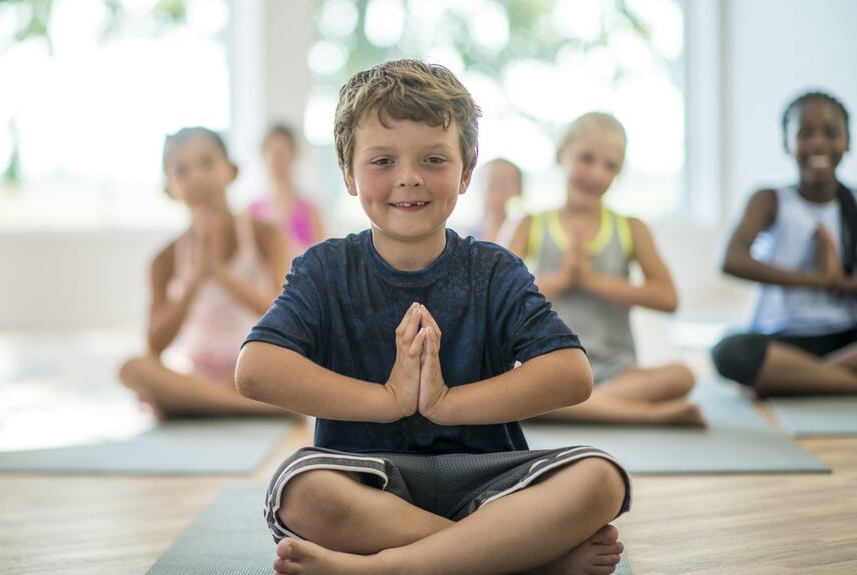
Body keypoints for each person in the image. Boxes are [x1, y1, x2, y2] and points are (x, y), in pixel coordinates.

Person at [236, 60, 631, 575]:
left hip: (490, 481)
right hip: (368, 481)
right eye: (382, 160)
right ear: (348, 175)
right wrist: (387, 401)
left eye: (433, 158)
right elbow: (255, 369)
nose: (408, 178)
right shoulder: (324, 268)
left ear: (467, 171)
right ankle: (516, 559)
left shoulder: (494, 269)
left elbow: (572, 376)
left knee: (601, 478)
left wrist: (446, 404)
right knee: (300, 488)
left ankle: (386, 568)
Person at [509, 112, 703, 426]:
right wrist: (561, 280)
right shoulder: (530, 224)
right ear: (562, 155)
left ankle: (576, 408)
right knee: (504, 377)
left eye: (610, 166)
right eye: (587, 158)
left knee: (682, 377)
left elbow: (667, 298)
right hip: (550, 366)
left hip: (618, 372)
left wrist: (592, 281)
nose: (597, 173)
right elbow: (498, 299)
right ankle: (645, 415)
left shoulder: (631, 227)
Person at [119, 127, 294, 417]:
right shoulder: (164, 259)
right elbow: (154, 344)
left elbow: (286, 321)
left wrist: (223, 276)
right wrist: (197, 280)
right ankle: (255, 409)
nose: (196, 177)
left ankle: (201, 404)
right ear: (169, 189)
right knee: (132, 369)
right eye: (182, 170)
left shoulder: (265, 235)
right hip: (197, 373)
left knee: (294, 366)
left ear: (232, 171)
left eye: (207, 163)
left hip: (255, 364)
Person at [712, 91, 857, 395]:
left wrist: (839, 282)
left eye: (831, 133)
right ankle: (837, 381)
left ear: (848, 141)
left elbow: (841, 282)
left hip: (846, 337)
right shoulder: (770, 199)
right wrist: (815, 279)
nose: (819, 143)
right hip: (785, 340)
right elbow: (732, 259)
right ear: (787, 142)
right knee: (728, 351)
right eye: (806, 133)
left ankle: (801, 379)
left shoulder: (852, 201)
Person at [249, 124, 327, 254]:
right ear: (263, 156)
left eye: (281, 153)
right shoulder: (252, 211)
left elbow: (323, 257)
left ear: (293, 156)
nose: (276, 160)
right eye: (271, 152)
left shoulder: (310, 210)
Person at [472, 157, 522, 245]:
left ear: (520, 189)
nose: (499, 193)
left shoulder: (535, 237)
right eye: (492, 185)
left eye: (506, 185)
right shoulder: (464, 239)